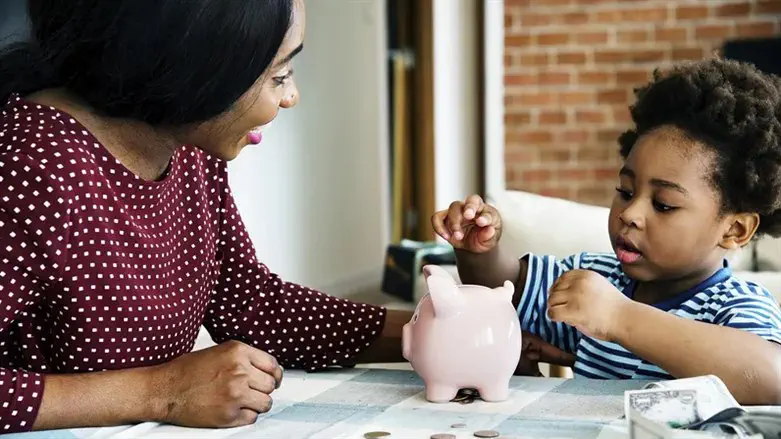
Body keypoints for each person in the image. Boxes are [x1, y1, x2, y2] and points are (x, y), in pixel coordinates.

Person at [0, 0, 572, 433]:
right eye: (277, 76)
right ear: (194, 67)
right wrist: (158, 393)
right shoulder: (28, 166)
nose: (291, 96)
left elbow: (250, 303)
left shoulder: (185, 147)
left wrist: (445, 333)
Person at [433, 58, 781, 405]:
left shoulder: (735, 306)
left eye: (663, 204)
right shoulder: (597, 277)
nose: (630, 213)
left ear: (734, 229)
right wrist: (479, 250)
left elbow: (771, 380)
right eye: (626, 192)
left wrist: (619, 317)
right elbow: (507, 291)